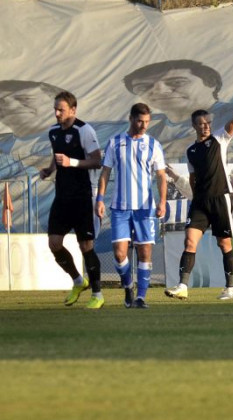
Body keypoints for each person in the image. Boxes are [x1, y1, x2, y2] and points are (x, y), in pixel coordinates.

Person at [164, 83, 233, 301]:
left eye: (208, 123)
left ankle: (230, 288)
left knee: (224, 244)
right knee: (189, 241)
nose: (206, 126)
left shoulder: (219, 140)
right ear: (194, 126)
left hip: (220, 198)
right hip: (200, 202)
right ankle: (182, 286)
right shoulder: (191, 151)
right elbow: (192, 177)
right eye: (201, 123)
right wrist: (196, 196)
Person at [123, 60, 233, 163]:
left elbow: (208, 143)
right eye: (144, 87)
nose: (160, 91)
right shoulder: (152, 132)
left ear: (210, 82)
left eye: (176, 82)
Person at [95, 103, 167, 309]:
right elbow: (105, 173)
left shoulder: (154, 145)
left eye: (147, 122)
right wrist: (99, 199)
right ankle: (128, 286)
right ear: (131, 119)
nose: (144, 125)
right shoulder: (115, 142)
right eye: (140, 121)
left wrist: (161, 202)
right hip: (120, 208)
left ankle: (141, 297)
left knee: (145, 253)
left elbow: (161, 176)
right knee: (119, 253)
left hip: (145, 209)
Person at [39, 91, 103, 309]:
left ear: (73, 110)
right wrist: (50, 168)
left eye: (61, 109)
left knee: (86, 245)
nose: (57, 113)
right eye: (55, 109)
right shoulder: (53, 132)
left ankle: (97, 294)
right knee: (54, 243)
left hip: (82, 197)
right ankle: (78, 280)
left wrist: (71, 162)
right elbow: (58, 156)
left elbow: (96, 161)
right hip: (62, 197)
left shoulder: (84, 130)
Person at [165, 168, 233, 230]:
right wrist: (176, 177)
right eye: (229, 187)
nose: (231, 191)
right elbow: (198, 193)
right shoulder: (221, 204)